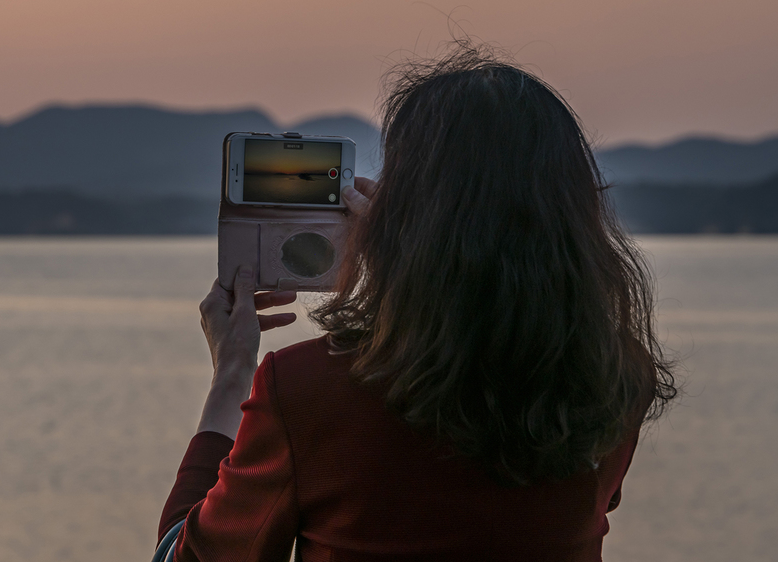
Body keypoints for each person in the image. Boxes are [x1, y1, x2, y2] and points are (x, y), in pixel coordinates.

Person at [157, 43, 677, 561]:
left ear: (410, 217)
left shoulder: (307, 392)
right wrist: (401, 270)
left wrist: (232, 374)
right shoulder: (615, 379)